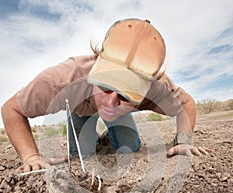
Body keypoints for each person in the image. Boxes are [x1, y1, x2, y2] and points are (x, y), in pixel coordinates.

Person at [1, 18, 210, 173]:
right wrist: (30, 155)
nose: (111, 102)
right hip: (80, 110)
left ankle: (109, 135)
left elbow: (186, 103)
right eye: (106, 87)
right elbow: (12, 108)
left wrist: (183, 140)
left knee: (130, 147)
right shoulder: (62, 79)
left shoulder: (157, 88)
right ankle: (94, 137)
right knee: (82, 153)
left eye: (125, 95)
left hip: (122, 117)